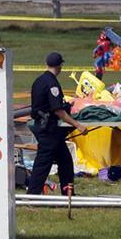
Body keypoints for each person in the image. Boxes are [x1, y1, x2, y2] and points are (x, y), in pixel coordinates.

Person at [27, 52, 87, 195]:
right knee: (43, 164)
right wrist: (77, 125)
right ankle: (32, 196)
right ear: (60, 66)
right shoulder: (52, 83)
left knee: (65, 161)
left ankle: (68, 193)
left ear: (47, 64)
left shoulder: (39, 80)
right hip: (48, 130)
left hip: (45, 127)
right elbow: (58, 111)